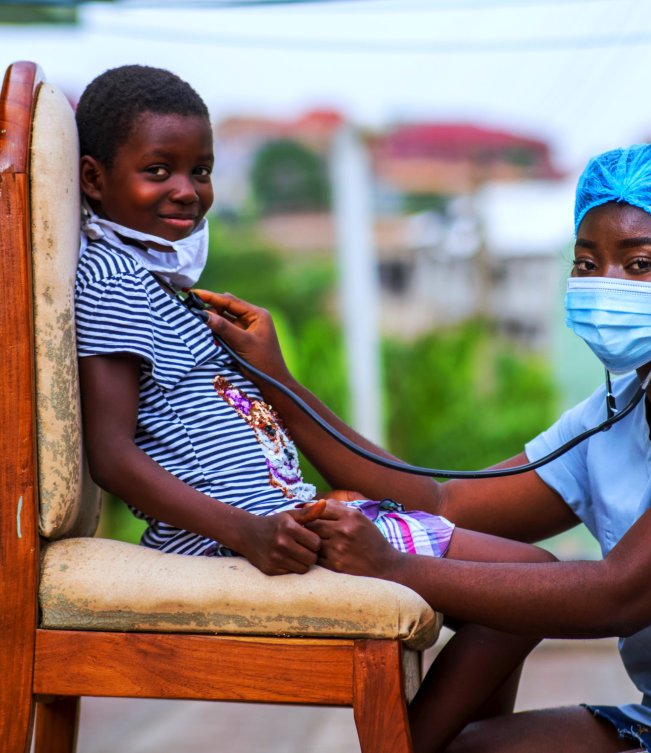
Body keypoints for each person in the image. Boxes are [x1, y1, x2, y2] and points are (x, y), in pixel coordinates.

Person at [197, 144, 651, 753]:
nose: (604, 281)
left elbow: (624, 589)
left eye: (639, 262)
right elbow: (442, 498)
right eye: (587, 262)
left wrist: (394, 565)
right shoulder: (618, 412)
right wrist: (278, 381)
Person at [72, 64, 556, 753]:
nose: (187, 190)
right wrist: (246, 531)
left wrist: (274, 378)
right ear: (94, 179)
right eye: (159, 169)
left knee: (516, 586)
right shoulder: (116, 283)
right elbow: (113, 456)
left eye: (201, 170)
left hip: (290, 520)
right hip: (233, 538)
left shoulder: (163, 284)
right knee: (528, 581)